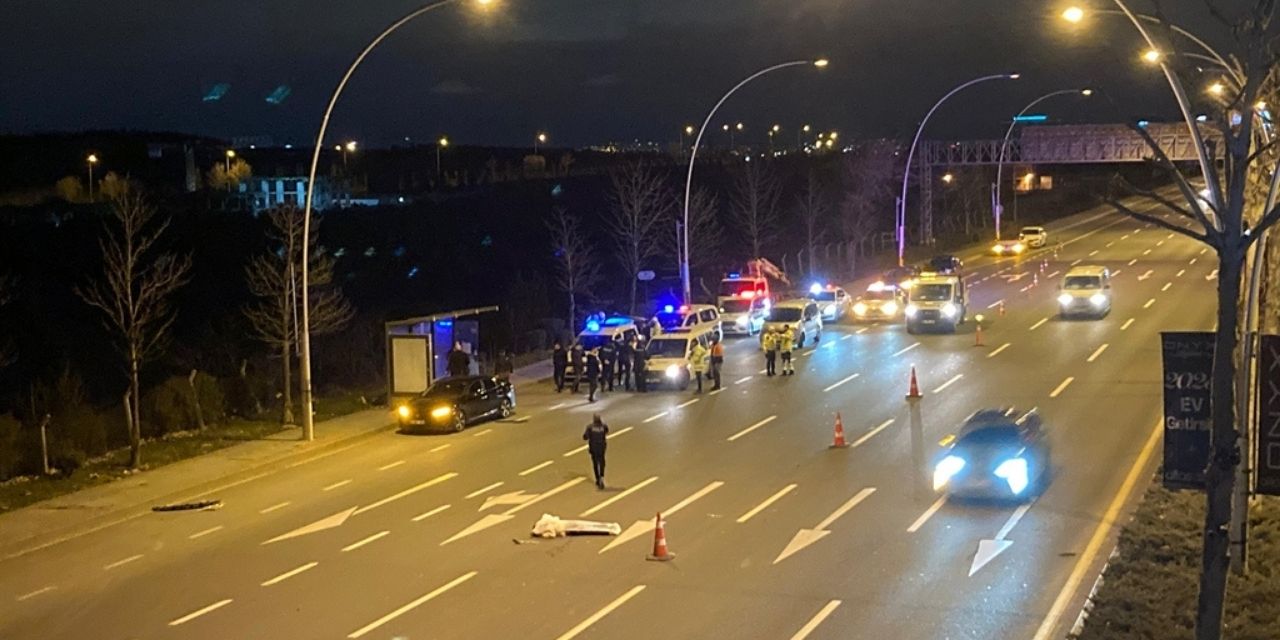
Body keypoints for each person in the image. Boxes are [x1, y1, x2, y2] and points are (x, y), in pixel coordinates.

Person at [583, 414, 609, 489]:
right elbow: (607, 431)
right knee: (602, 462)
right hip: (602, 447)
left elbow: (585, 437)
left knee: (595, 463)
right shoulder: (604, 426)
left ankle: (597, 479)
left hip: (593, 448)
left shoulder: (590, 427)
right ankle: (602, 476)